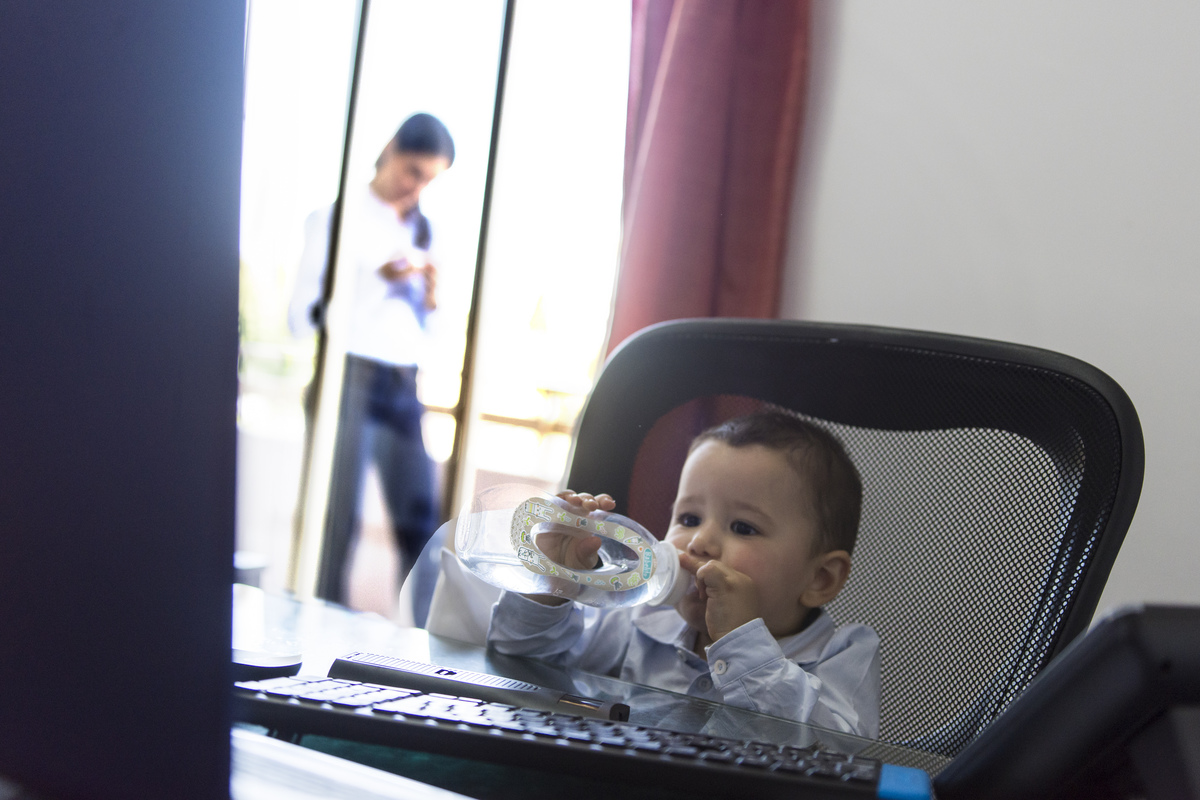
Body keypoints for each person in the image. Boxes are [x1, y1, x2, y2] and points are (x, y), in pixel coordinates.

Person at [486, 408, 880, 737]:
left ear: (820, 579)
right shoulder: (641, 619)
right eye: (689, 518)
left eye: (743, 527)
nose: (699, 543)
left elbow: (834, 754)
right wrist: (551, 587)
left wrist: (739, 643)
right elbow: (522, 663)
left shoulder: (842, 655)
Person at [288, 112, 455, 623]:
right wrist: (377, 280)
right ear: (389, 149)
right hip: (347, 379)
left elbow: (430, 337)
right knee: (336, 523)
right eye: (413, 172)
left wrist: (430, 302)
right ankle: (315, 639)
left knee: (423, 524)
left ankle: (429, 647)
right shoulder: (332, 220)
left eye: (430, 180)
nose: (418, 188)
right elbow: (300, 319)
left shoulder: (426, 231)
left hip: (404, 385)